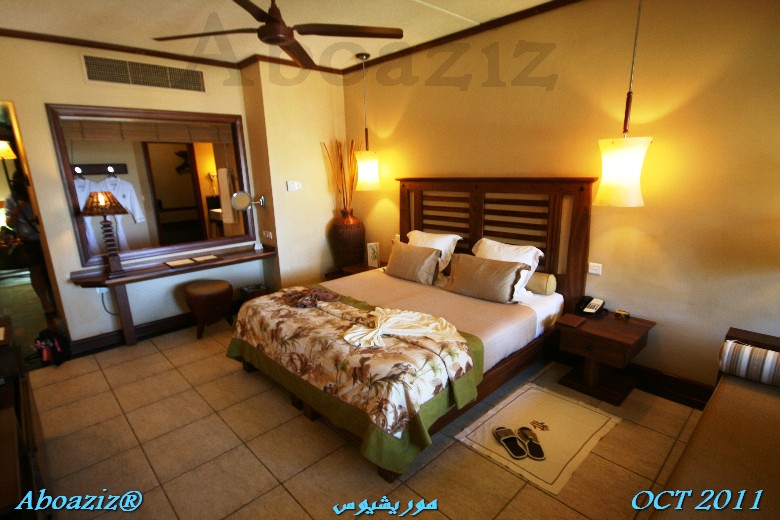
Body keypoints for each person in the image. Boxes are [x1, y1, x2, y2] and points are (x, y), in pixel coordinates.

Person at [4, 171, 58, 328]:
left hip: (46, 238)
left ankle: (57, 299)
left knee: (52, 270)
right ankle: (46, 304)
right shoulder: (11, 198)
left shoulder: (37, 193)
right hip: (29, 240)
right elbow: (10, 223)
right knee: (35, 271)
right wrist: (19, 207)